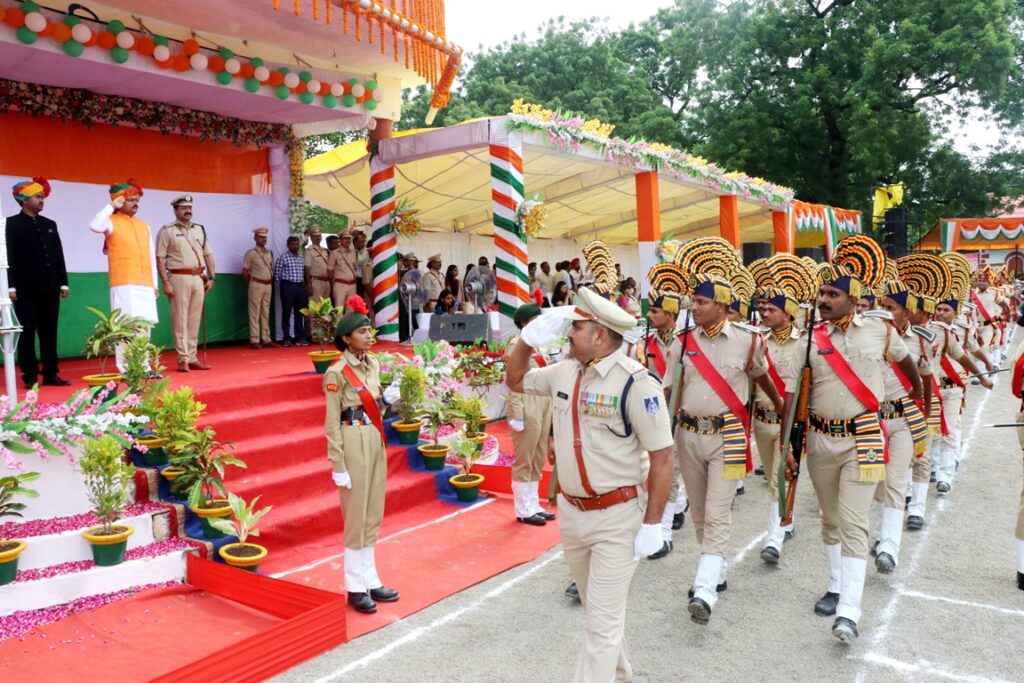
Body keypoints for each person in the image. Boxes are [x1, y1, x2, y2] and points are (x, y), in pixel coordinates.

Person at [505, 285, 674, 683]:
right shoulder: (564, 371)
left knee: (600, 622)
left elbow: (663, 456)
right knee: (600, 615)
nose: (568, 334)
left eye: (576, 327)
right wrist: (525, 342)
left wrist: (652, 524)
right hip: (573, 513)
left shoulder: (637, 382)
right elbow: (515, 380)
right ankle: (622, 677)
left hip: (618, 517)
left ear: (599, 334)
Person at [786, 235, 919, 643]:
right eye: (821, 292)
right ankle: (835, 584)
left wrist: (914, 393)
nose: (823, 299)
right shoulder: (808, 338)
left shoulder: (879, 329)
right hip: (821, 440)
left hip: (864, 436)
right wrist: (787, 449)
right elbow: (792, 396)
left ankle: (849, 610)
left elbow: (907, 363)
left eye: (832, 293)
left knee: (855, 521)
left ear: (853, 298)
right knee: (830, 520)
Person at [669, 258, 783, 625]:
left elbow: (763, 377)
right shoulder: (682, 341)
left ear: (721, 305)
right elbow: (672, 389)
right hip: (688, 434)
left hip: (730, 435)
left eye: (700, 302)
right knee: (700, 511)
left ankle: (704, 589)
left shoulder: (749, 340)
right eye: (692, 302)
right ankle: (715, 571)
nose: (694, 308)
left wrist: (781, 407)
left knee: (718, 511)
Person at [323, 295, 400, 615]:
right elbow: (331, 423)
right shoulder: (337, 372)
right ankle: (354, 585)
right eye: (362, 331)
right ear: (346, 338)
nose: (369, 336)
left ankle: (370, 577)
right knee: (356, 516)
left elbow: (375, 405)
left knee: (372, 512)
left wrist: (389, 399)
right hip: (352, 439)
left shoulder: (375, 364)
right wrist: (337, 463)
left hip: (374, 436)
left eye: (370, 331)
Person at [627, 263, 690, 558]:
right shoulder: (643, 344)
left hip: (679, 413)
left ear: (671, 315)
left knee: (672, 470)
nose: (649, 316)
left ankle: (663, 533)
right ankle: (662, 517)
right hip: (651, 414)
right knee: (649, 470)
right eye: (649, 311)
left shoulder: (687, 342)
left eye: (655, 312)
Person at [750, 256, 809, 565]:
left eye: (772, 309)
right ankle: (788, 517)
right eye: (763, 308)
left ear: (788, 313)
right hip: (762, 421)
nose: (765, 313)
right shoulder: (756, 341)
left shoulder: (804, 344)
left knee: (779, 478)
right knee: (770, 479)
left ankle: (773, 539)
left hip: (790, 425)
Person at [872, 275, 933, 574]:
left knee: (896, 480)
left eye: (891, 307)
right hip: (873, 421)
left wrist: (927, 415)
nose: (885, 311)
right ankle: (884, 534)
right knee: (878, 485)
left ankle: (889, 548)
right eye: (881, 305)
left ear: (906, 312)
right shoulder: (870, 334)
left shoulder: (920, 339)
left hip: (904, 419)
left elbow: (926, 379)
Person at [5, 177, 70, 387]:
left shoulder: (50, 224)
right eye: (37, 196)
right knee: (26, 333)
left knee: (49, 333)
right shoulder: (11, 224)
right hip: (24, 290)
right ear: (24, 200)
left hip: (50, 288)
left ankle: (51, 373)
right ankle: (30, 375)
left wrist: (63, 282)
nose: (42, 200)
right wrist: (10, 285)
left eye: (42, 196)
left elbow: (58, 254)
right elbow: (8, 257)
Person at [89, 179, 159, 371]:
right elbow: (95, 225)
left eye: (137, 200)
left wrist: (155, 285)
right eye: (130, 200)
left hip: (145, 285)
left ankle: (143, 367)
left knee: (145, 327)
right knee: (126, 327)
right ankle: (126, 368)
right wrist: (111, 206)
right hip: (124, 284)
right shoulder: (110, 222)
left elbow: (151, 257)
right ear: (120, 201)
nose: (136, 203)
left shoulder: (144, 226)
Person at [505, 303, 555, 527]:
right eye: (535, 319)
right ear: (524, 323)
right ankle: (523, 508)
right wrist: (517, 413)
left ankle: (534, 503)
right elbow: (512, 380)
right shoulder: (517, 345)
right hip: (525, 403)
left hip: (543, 401)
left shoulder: (540, 345)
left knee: (538, 455)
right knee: (524, 457)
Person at [156, 194, 215, 373]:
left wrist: (212, 277)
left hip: (198, 278)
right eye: (183, 207)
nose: (188, 210)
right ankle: (182, 359)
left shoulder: (200, 229)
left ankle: (192, 357)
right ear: (175, 210)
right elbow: (160, 258)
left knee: (193, 319)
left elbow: (208, 255)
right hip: (178, 277)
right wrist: (165, 282)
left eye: (190, 207)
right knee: (180, 319)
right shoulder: (167, 230)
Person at [242, 227, 276, 350]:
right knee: (254, 312)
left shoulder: (269, 253)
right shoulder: (250, 253)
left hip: (268, 284)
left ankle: (266, 338)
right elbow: (245, 271)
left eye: (265, 237)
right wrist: (251, 283)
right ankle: (254, 339)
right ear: (255, 238)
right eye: (261, 237)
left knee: (265, 312)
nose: (264, 239)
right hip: (256, 284)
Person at [273, 236, 308, 347]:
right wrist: (284, 288)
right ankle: (286, 338)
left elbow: (303, 273)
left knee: (300, 313)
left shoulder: (301, 258)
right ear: (288, 245)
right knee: (286, 313)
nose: (295, 246)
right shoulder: (283, 258)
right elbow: (277, 276)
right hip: (287, 286)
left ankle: (300, 338)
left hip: (299, 287)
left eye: (297, 244)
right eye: (293, 244)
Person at [328, 231, 359, 309]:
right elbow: (329, 271)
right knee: (339, 310)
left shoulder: (354, 252)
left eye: (349, 238)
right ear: (340, 240)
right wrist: (333, 285)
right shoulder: (334, 253)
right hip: (340, 285)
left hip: (352, 285)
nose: (348, 240)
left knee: (351, 310)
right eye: (345, 238)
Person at [304, 226, 332, 304]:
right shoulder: (309, 250)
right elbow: (307, 269)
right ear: (311, 238)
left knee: (325, 307)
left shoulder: (325, 250)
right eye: (315, 236)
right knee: (315, 307)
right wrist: (309, 284)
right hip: (316, 282)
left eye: (319, 236)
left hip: (326, 282)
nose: (317, 238)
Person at [398, 253, 421, 342]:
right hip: (403, 298)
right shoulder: (401, 272)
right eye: (410, 261)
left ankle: (414, 335)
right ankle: (404, 337)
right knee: (405, 317)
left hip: (413, 299)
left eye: (414, 262)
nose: (413, 263)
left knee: (412, 317)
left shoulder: (415, 272)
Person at [353, 230, 371, 300]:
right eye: (361, 242)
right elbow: (358, 261)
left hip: (366, 280)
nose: (363, 244)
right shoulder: (351, 252)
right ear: (355, 242)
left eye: (364, 242)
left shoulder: (366, 251)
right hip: (356, 280)